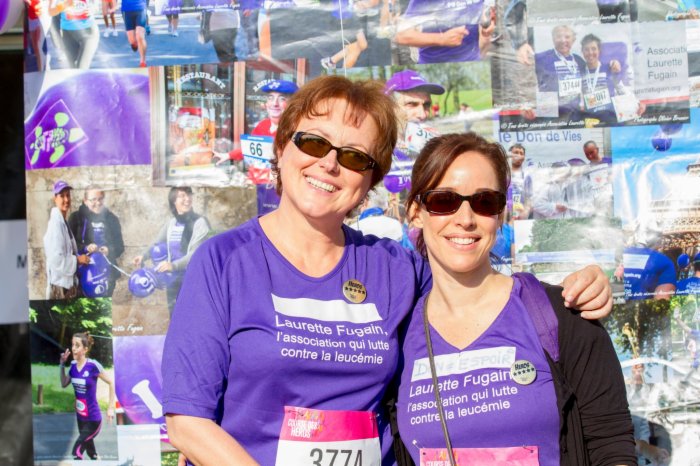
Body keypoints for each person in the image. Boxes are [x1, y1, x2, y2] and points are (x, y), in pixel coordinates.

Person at [161, 76, 614, 465]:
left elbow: (481, 293)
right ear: (282, 147)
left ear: (369, 183)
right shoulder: (223, 260)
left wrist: (576, 290)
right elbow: (186, 422)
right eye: (314, 142)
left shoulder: (395, 268)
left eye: (355, 157)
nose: (330, 163)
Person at [397, 133, 635, 465]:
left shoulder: (561, 316)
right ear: (415, 212)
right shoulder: (398, 336)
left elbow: (611, 444)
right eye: (443, 200)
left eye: (484, 201)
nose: (465, 218)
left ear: (500, 214)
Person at [133, 187, 211, 313]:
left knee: (192, 313)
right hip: (173, 279)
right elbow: (158, 242)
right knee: (174, 314)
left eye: (189, 195)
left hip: (193, 278)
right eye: (182, 196)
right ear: (173, 201)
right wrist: (144, 255)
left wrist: (173, 265)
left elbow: (196, 253)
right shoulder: (172, 223)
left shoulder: (200, 222)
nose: (187, 199)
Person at [59, 332, 116, 460]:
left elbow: (111, 383)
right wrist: (62, 364)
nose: (73, 348)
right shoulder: (73, 366)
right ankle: (96, 459)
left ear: (85, 349)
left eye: (77, 345)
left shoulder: (93, 366)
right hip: (81, 418)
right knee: (92, 454)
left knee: (76, 452)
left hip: (93, 419)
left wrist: (110, 408)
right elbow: (64, 383)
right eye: (72, 345)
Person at [394, 0, 495, 63]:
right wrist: (442, 39)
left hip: (473, 62)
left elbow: (485, 15)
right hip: (435, 64)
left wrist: (487, 27)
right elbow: (401, 35)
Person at [68, 187, 125, 296]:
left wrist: (109, 250)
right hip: (82, 274)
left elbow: (120, 246)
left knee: (102, 305)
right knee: (84, 305)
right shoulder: (75, 218)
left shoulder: (112, 219)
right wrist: (86, 248)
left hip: (106, 275)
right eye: (93, 199)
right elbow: (69, 246)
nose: (98, 203)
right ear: (85, 201)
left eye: (100, 199)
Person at [579, 34, 644, 124]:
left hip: (610, 118)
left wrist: (636, 103)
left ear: (599, 50)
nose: (590, 52)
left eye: (593, 49)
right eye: (586, 49)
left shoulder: (609, 68)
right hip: (590, 119)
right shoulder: (580, 71)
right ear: (582, 51)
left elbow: (620, 87)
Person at [43, 180, 90, 300]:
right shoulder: (55, 224)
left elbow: (68, 252)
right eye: (62, 196)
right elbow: (56, 259)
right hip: (60, 287)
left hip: (66, 285)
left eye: (68, 195)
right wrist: (78, 260)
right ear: (55, 198)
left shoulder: (63, 222)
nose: (66, 199)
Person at [535, 25, 586, 121]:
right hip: (550, 114)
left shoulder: (579, 61)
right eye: (559, 36)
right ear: (553, 39)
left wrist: (612, 64)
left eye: (567, 37)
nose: (563, 40)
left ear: (573, 40)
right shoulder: (541, 58)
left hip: (574, 114)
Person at [623, 218, 676, 300]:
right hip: (642, 307)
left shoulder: (619, 256)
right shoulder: (664, 262)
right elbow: (662, 300)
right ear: (657, 238)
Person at [48, 0, 100, 69]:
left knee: (81, 67)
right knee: (71, 69)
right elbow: (51, 12)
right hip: (68, 34)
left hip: (88, 32)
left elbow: (96, 4)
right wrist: (63, 5)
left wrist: (92, 9)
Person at [508, 143, 532, 221]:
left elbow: (529, 198)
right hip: (505, 217)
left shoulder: (527, 176)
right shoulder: (503, 174)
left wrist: (526, 212)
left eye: (521, 153)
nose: (519, 155)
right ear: (510, 155)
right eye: (516, 152)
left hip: (521, 217)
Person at [121, 0, 148, 67]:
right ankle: (136, 43)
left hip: (140, 7)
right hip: (127, 10)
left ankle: (143, 61)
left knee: (140, 36)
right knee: (132, 41)